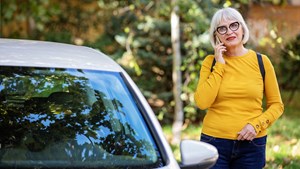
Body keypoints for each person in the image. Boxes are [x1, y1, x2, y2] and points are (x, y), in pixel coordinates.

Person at [194, 7, 284, 169]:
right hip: (214, 142)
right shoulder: (211, 62)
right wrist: (220, 66)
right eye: (222, 28)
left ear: (242, 28)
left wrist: (256, 125)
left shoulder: (261, 61)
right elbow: (202, 102)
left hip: (252, 144)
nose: (229, 31)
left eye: (234, 25)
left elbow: (277, 105)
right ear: (216, 35)